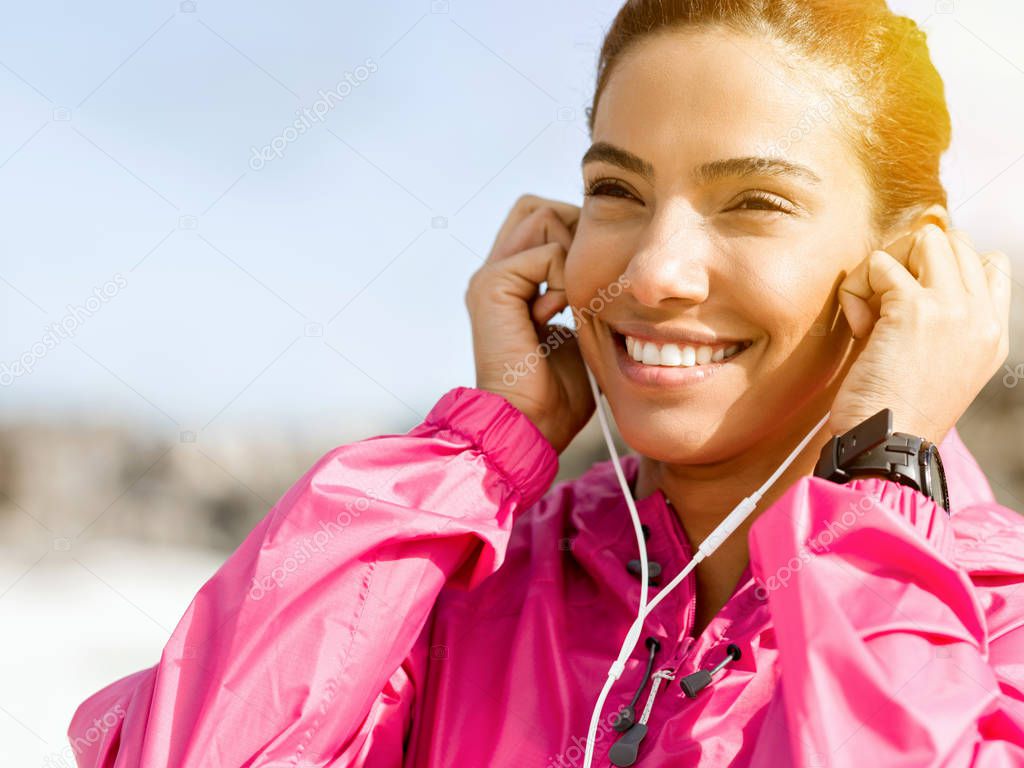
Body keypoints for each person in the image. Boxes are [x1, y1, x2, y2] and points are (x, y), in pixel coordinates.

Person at [68, 1, 1022, 766]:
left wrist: (882, 487)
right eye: (620, 191)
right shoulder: (455, 585)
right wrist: (481, 448)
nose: (653, 272)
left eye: (755, 203)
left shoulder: (996, 620)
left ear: (912, 258)